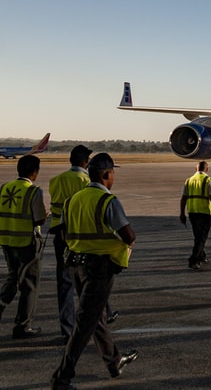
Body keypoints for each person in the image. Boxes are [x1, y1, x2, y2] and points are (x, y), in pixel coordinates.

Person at [50, 153, 138, 389]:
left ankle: (114, 361)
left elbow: (63, 233)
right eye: (113, 174)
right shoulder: (108, 201)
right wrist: (123, 249)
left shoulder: (73, 200)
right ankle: (62, 378)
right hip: (100, 268)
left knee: (95, 317)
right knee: (84, 324)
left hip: (77, 265)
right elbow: (128, 235)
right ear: (107, 174)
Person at [48, 145, 120, 344]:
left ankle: (67, 328)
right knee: (91, 281)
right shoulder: (86, 181)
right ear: (85, 162)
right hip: (81, 238)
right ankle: (101, 316)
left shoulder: (56, 180)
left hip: (60, 235)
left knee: (64, 283)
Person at [0, 154, 47, 338]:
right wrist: (46, 214)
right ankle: (22, 326)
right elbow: (39, 219)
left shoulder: (4, 188)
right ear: (35, 172)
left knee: (12, 278)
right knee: (29, 284)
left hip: (6, 240)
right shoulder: (33, 191)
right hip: (26, 243)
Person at [180, 161, 211, 269]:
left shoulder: (189, 180)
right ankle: (193, 259)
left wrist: (182, 213)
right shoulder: (208, 180)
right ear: (207, 170)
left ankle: (202, 255)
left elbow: (183, 198)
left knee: (198, 236)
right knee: (202, 237)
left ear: (195, 169)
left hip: (192, 212)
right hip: (205, 212)